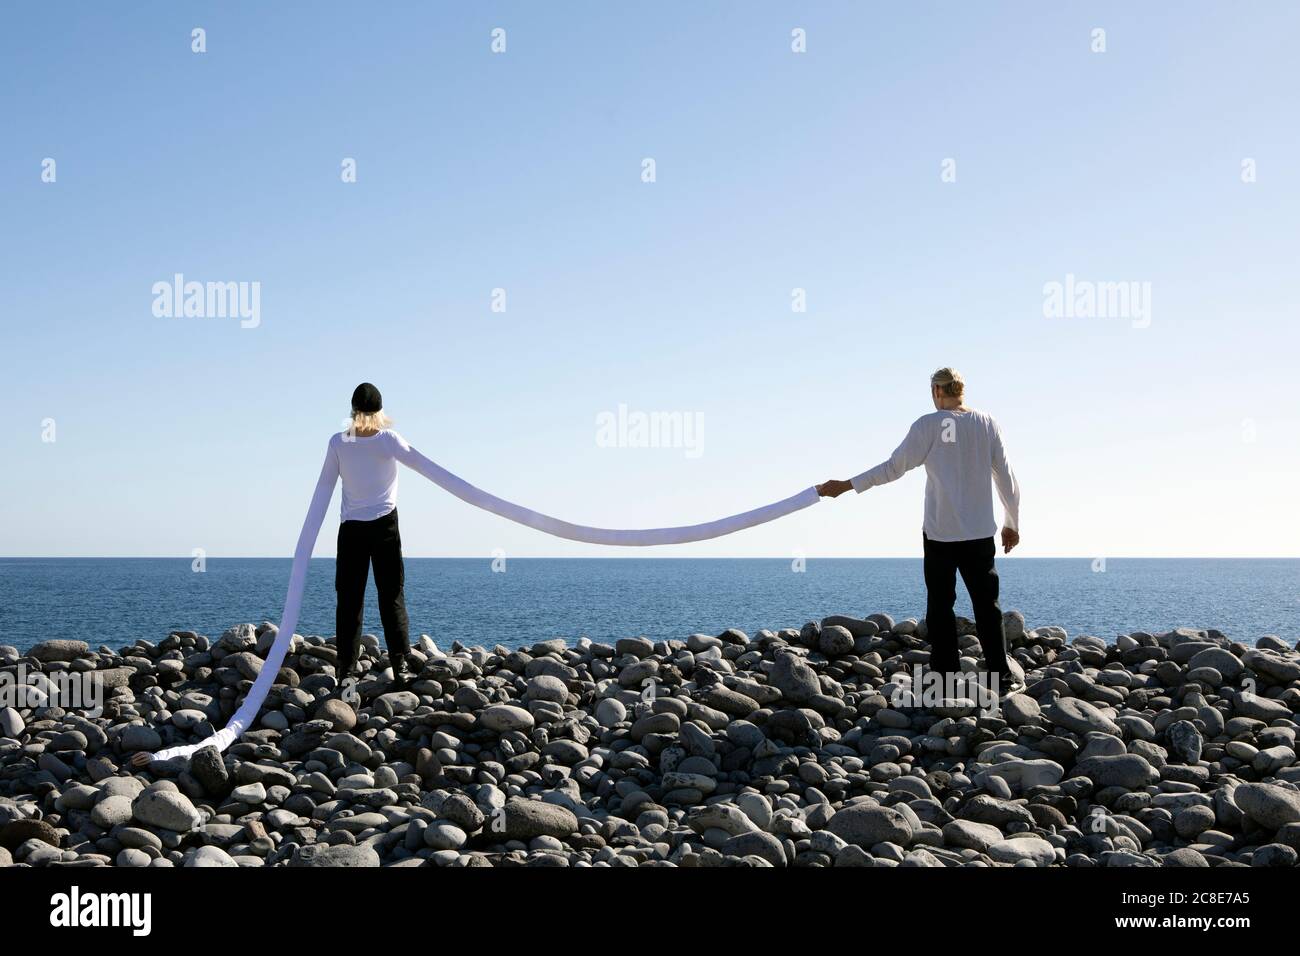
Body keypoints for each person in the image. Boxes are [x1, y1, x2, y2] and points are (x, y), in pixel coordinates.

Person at [816, 367, 1023, 698]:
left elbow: (893, 468)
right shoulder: (987, 423)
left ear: (936, 392)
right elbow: (1007, 478)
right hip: (980, 533)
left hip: (941, 533)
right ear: (961, 391)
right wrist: (1012, 522)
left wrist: (847, 485)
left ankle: (945, 679)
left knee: (941, 606)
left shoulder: (928, 425)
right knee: (987, 606)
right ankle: (1001, 677)